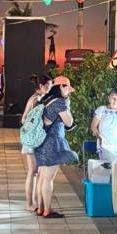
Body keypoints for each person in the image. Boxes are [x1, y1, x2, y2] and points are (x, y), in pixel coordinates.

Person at [34, 76, 78, 218]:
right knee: (48, 178)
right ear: (60, 87)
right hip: (52, 143)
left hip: (42, 142)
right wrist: (68, 105)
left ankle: (41, 208)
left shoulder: (46, 99)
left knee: (42, 177)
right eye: (66, 88)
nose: (68, 92)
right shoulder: (59, 102)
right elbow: (69, 122)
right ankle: (47, 210)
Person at [21, 74, 52, 211]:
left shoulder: (38, 98)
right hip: (33, 139)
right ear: (41, 86)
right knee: (33, 171)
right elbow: (24, 119)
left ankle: (34, 202)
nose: (49, 89)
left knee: (35, 171)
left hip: (34, 138)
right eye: (48, 86)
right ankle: (29, 203)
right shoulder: (35, 99)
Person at [90, 88, 117, 163]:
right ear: (109, 98)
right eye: (113, 98)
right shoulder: (102, 110)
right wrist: (99, 137)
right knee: (109, 165)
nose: (115, 101)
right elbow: (93, 126)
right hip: (105, 145)